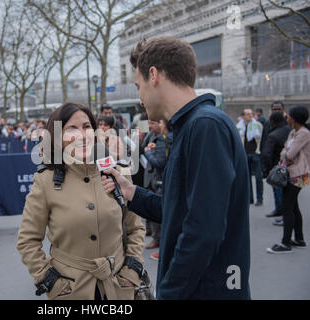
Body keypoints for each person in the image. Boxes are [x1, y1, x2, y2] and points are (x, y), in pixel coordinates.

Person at [101, 37, 251, 299]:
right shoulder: (195, 126)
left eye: (139, 87)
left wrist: (168, 293)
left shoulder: (205, 126)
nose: (140, 98)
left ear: (154, 75)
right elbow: (181, 210)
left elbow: (203, 230)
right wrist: (132, 193)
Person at [17, 102, 145, 300]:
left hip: (118, 287)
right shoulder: (45, 180)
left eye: (86, 127)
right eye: (71, 129)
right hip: (71, 290)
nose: (82, 135)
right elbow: (28, 240)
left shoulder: (118, 173)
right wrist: (50, 282)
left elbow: (135, 228)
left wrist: (131, 272)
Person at [267, 106, 310, 253]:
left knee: (287, 207)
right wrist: (285, 153)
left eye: (289, 116)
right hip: (293, 172)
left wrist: (285, 153)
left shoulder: (303, 134)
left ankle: (286, 243)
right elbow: (284, 151)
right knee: (293, 207)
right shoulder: (293, 132)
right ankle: (299, 239)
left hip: (299, 174)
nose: (287, 118)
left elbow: (289, 154)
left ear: (295, 118)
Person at [144, 119, 173, 261]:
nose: (152, 126)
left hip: (162, 181)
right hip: (166, 181)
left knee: (163, 216)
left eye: (158, 123)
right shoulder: (174, 136)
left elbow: (158, 162)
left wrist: (148, 152)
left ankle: (164, 248)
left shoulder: (164, 139)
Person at [260, 112, 291, 219]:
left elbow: (266, 154)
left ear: (272, 122)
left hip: (276, 167)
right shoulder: (290, 131)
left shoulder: (273, 135)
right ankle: (281, 212)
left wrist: (268, 169)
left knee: (279, 191)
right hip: (291, 167)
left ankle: (283, 214)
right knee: (288, 194)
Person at [237, 108, 264, 206]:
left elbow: (262, 139)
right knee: (247, 178)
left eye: (251, 114)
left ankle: (260, 199)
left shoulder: (257, 125)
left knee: (258, 177)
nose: (250, 116)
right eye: (247, 114)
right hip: (245, 153)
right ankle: (250, 198)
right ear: (243, 116)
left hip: (255, 152)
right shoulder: (239, 127)